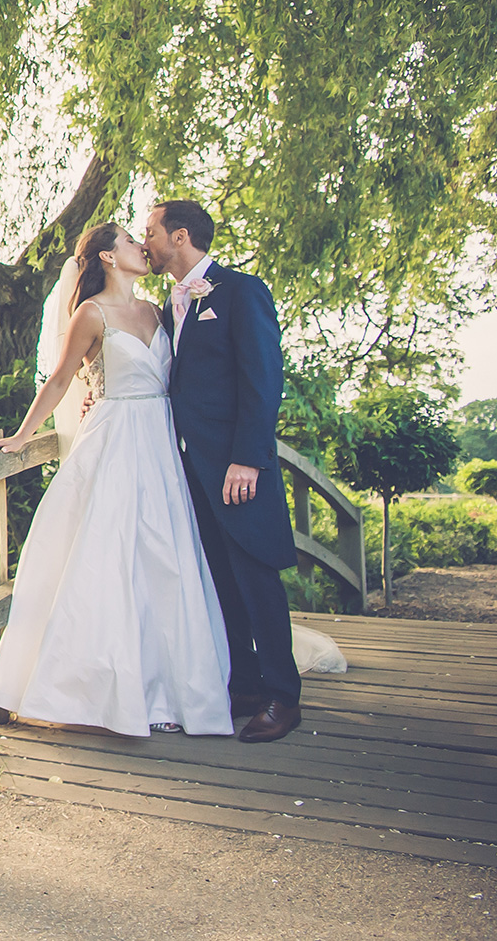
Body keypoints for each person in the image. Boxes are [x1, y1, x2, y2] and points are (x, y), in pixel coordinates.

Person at [0, 222, 234, 738]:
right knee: (108, 557)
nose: (143, 246)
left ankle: (166, 691)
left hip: (160, 445)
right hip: (115, 442)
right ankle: (97, 692)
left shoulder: (158, 312)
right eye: (130, 241)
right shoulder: (90, 314)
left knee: (165, 559)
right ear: (108, 257)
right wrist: (22, 437)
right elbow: (60, 379)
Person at [140, 198, 302, 742]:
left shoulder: (240, 292)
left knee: (256, 576)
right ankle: (247, 685)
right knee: (219, 579)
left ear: (180, 236)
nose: (146, 243)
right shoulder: (169, 305)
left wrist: (249, 458)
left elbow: (264, 379)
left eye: (152, 232)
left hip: (237, 468)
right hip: (189, 468)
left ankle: (284, 696)